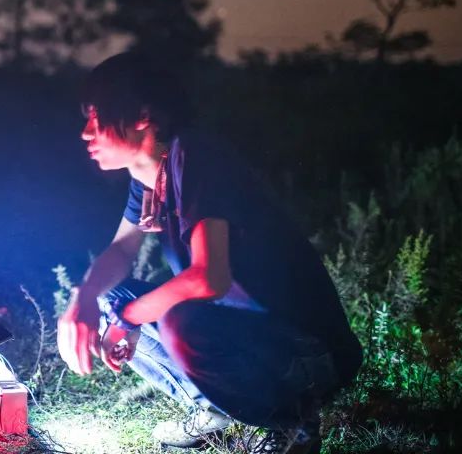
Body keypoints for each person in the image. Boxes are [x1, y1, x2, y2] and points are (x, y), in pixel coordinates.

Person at [57, 51, 361, 453]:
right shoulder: (150, 177)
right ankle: (217, 409)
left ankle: (288, 420)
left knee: (178, 321)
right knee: (109, 297)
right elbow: (120, 251)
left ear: (143, 115)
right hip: (251, 339)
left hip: (307, 355)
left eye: (97, 118)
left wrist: (129, 319)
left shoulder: (195, 156)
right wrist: (82, 301)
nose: (86, 133)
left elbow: (208, 277)